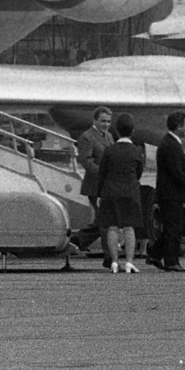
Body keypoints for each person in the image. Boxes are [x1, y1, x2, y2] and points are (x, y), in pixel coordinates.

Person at [147, 111, 185, 272]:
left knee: (171, 227)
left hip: (171, 193)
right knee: (173, 228)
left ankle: (155, 254)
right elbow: (177, 172)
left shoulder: (170, 143)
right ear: (179, 126)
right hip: (171, 194)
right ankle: (171, 261)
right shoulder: (170, 145)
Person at [96, 113, 145, 274]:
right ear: (132, 130)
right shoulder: (136, 151)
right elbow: (139, 172)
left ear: (116, 130)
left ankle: (115, 262)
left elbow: (102, 173)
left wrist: (99, 194)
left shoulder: (109, 150)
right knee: (129, 228)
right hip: (130, 192)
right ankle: (129, 262)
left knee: (112, 227)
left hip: (110, 191)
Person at [74, 107, 115, 267]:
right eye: (103, 121)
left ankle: (78, 240)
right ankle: (109, 256)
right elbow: (86, 161)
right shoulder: (87, 137)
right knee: (105, 220)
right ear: (95, 121)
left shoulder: (109, 136)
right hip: (95, 185)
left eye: (108, 121)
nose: (106, 124)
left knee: (101, 220)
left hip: (108, 185)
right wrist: (104, 173)